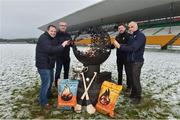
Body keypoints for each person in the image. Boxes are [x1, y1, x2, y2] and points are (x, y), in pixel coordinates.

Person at [35, 25, 70, 109]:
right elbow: (50, 50)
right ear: (47, 31)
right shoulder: (44, 38)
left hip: (49, 64)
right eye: (51, 31)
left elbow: (56, 46)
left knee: (50, 81)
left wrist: (66, 44)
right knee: (46, 83)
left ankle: (48, 95)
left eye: (54, 31)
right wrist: (62, 45)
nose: (53, 33)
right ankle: (43, 102)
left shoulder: (52, 38)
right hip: (43, 65)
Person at [113, 21, 146, 104]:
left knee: (135, 79)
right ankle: (133, 94)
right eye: (129, 27)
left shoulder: (140, 36)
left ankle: (138, 97)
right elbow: (128, 46)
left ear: (136, 27)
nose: (130, 28)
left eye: (132, 27)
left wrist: (120, 46)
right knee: (131, 78)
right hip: (130, 61)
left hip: (137, 61)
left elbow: (133, 48)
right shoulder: (133, 36)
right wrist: (120, 46)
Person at [111, 24, 131, 90]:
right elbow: (113, 46)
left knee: (128, 72)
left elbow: (129, 46)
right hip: (119, 57)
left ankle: (129, 86)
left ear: (125, 28)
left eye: (122, 28)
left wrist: (119, 45)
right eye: (119, 28)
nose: (120, 29)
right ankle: (119, 84)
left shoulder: (128, 36)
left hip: (127, 57)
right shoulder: (117, 37)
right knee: (119, 71)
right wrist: (108, 46)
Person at [54, 22, 72, 87]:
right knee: (58, 72)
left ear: (66, 27)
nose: (63, 27)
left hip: (67, 56)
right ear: (59, 26)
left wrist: (70, 44)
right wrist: (63, 43)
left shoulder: (68, 34)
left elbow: (71, 43)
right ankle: (56, 85)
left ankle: (66, 85)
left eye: (64, 26)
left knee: (66, 72)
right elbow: (55, 44)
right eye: (62, 25)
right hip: (59, 56)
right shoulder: (56, 34)